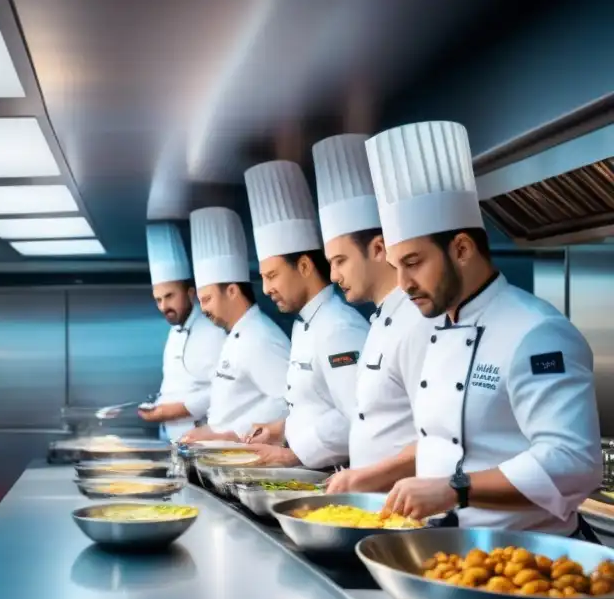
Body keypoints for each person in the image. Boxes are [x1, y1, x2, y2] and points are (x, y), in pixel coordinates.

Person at [365, 121, 602, 535]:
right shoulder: (436, 331)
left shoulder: (537, 331)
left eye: (414, 263)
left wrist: (456, 489)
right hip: (447, 549)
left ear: (461, 248)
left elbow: (574, 461)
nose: (403, 285)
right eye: (396, 267)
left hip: (523, 559)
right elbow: (447, 441)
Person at [301, 134, 436, 493]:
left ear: (378, 249)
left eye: (340, 261)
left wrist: (364, 476)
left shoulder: (419, 323)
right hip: (374, 504)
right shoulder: (378, 321)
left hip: (405, 508)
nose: (332, 276)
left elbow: (442, 440)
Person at [241, 161, 369, 470]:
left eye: (272, 275)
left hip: (333, 471)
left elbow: (357, 415)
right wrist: (280, 429)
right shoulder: (305, 325)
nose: (267, 288)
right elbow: (317, 406)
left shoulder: (339, 328)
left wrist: (294, 453)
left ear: (304, 266)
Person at [179, 207, 291, 443]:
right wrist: (213, 430)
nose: (204, 309)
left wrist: (234, 432)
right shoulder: (235, 335)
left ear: (232, 291)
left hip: (249, 456)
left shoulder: (260, 337)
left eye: (207, 299)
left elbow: (286, 400)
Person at [137, 223, 225, 442]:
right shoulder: (175, 331)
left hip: (202, 442)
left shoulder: (213, 331)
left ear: (190, 293)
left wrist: (176, 410)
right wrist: (157, 406)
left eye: (169, 296)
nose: (163, 306)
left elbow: (226, 390)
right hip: (172, 440)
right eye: (158, 299)